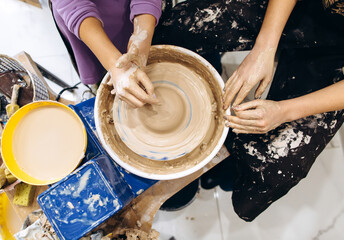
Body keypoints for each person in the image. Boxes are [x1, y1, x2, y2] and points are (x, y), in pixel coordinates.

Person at [153, 0, 344, 221]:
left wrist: (284, 111)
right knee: (178, 28)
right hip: (302, 6)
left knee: (266, 181)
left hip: (338, 56)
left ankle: (226, 160)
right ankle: (208, 67)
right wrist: (265, 47)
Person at [50, 0, 161, 108]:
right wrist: (114, 64)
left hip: (129, 12)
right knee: (106, 77)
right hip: (86, 23)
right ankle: (98, 87)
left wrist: (141, 35)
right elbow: (73, 5)